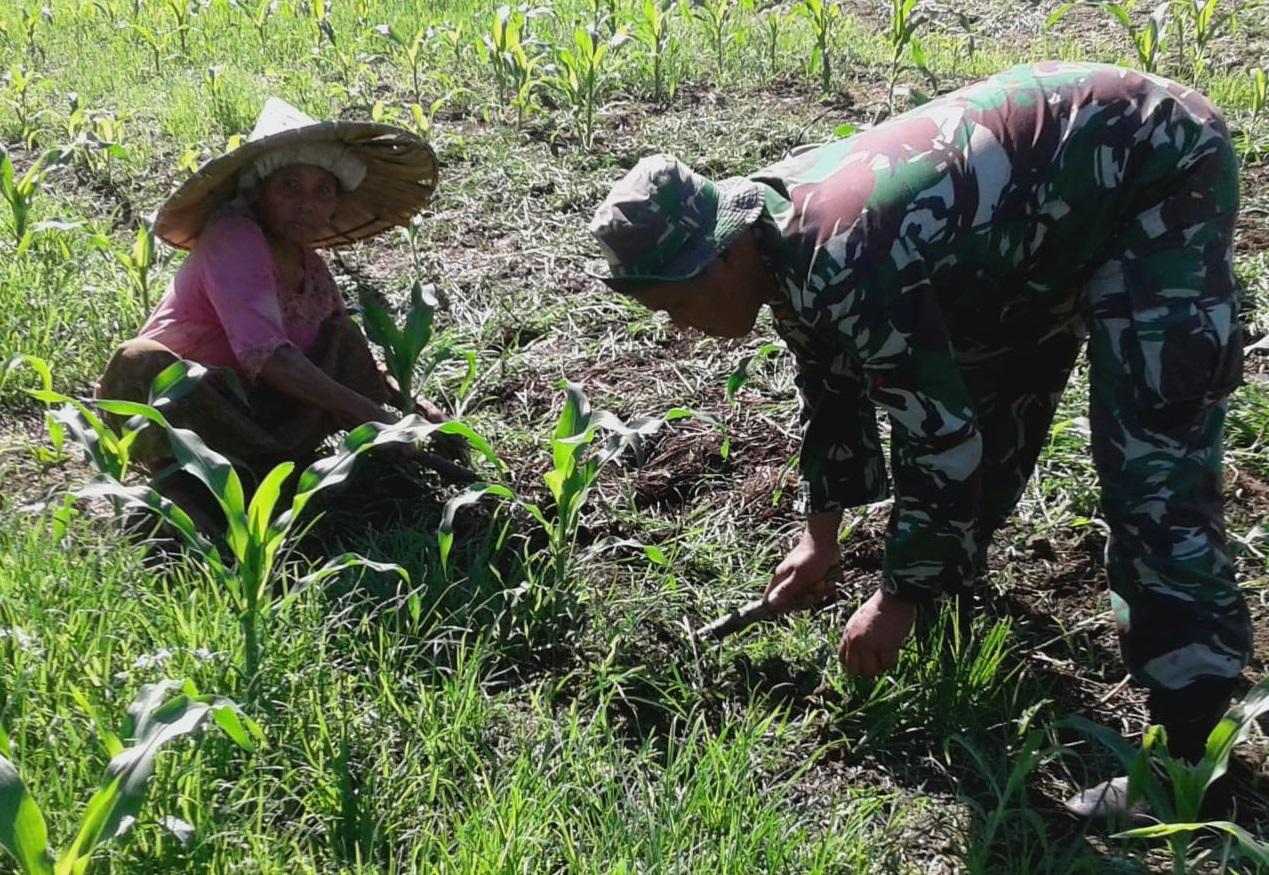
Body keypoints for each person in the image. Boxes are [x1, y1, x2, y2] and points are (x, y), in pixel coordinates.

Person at [587, 61, 1253, 817]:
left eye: (679, 301)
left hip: (1149, 166)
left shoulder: (839, 254)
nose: (680, 325)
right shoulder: (777, 242)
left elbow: (938, 440)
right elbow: (830, 380)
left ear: (727, 251)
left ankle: (1194, 758)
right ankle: (949, 577)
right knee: (991, 391)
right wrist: (820, 537)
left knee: (1150, 469)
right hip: (1033, 226)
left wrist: (895, 597)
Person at [97, 98, 466, 518]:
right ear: (260, 193)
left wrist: (413, 411)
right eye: (289, 187)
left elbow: (351, 356)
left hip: (260, 416)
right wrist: (371, 417)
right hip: (191, 416)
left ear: (333, 206)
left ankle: (282, 474)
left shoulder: (310, 266)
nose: (305, 203)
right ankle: (190, 487)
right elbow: (268, 356)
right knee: (139, 361)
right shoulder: (233, 237)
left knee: (342, 336)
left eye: (322, 191)